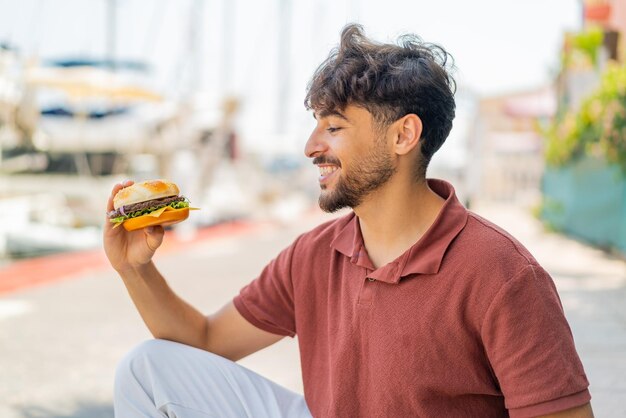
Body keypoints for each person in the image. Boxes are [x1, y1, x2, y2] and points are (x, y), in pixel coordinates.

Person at [104, 24, 593, 418]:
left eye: (334, 127)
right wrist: (135, 268)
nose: (312, 146)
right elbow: (206, 342)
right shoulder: (314, 254)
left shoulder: (501, 274)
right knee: (150, 368)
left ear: (404, 135)